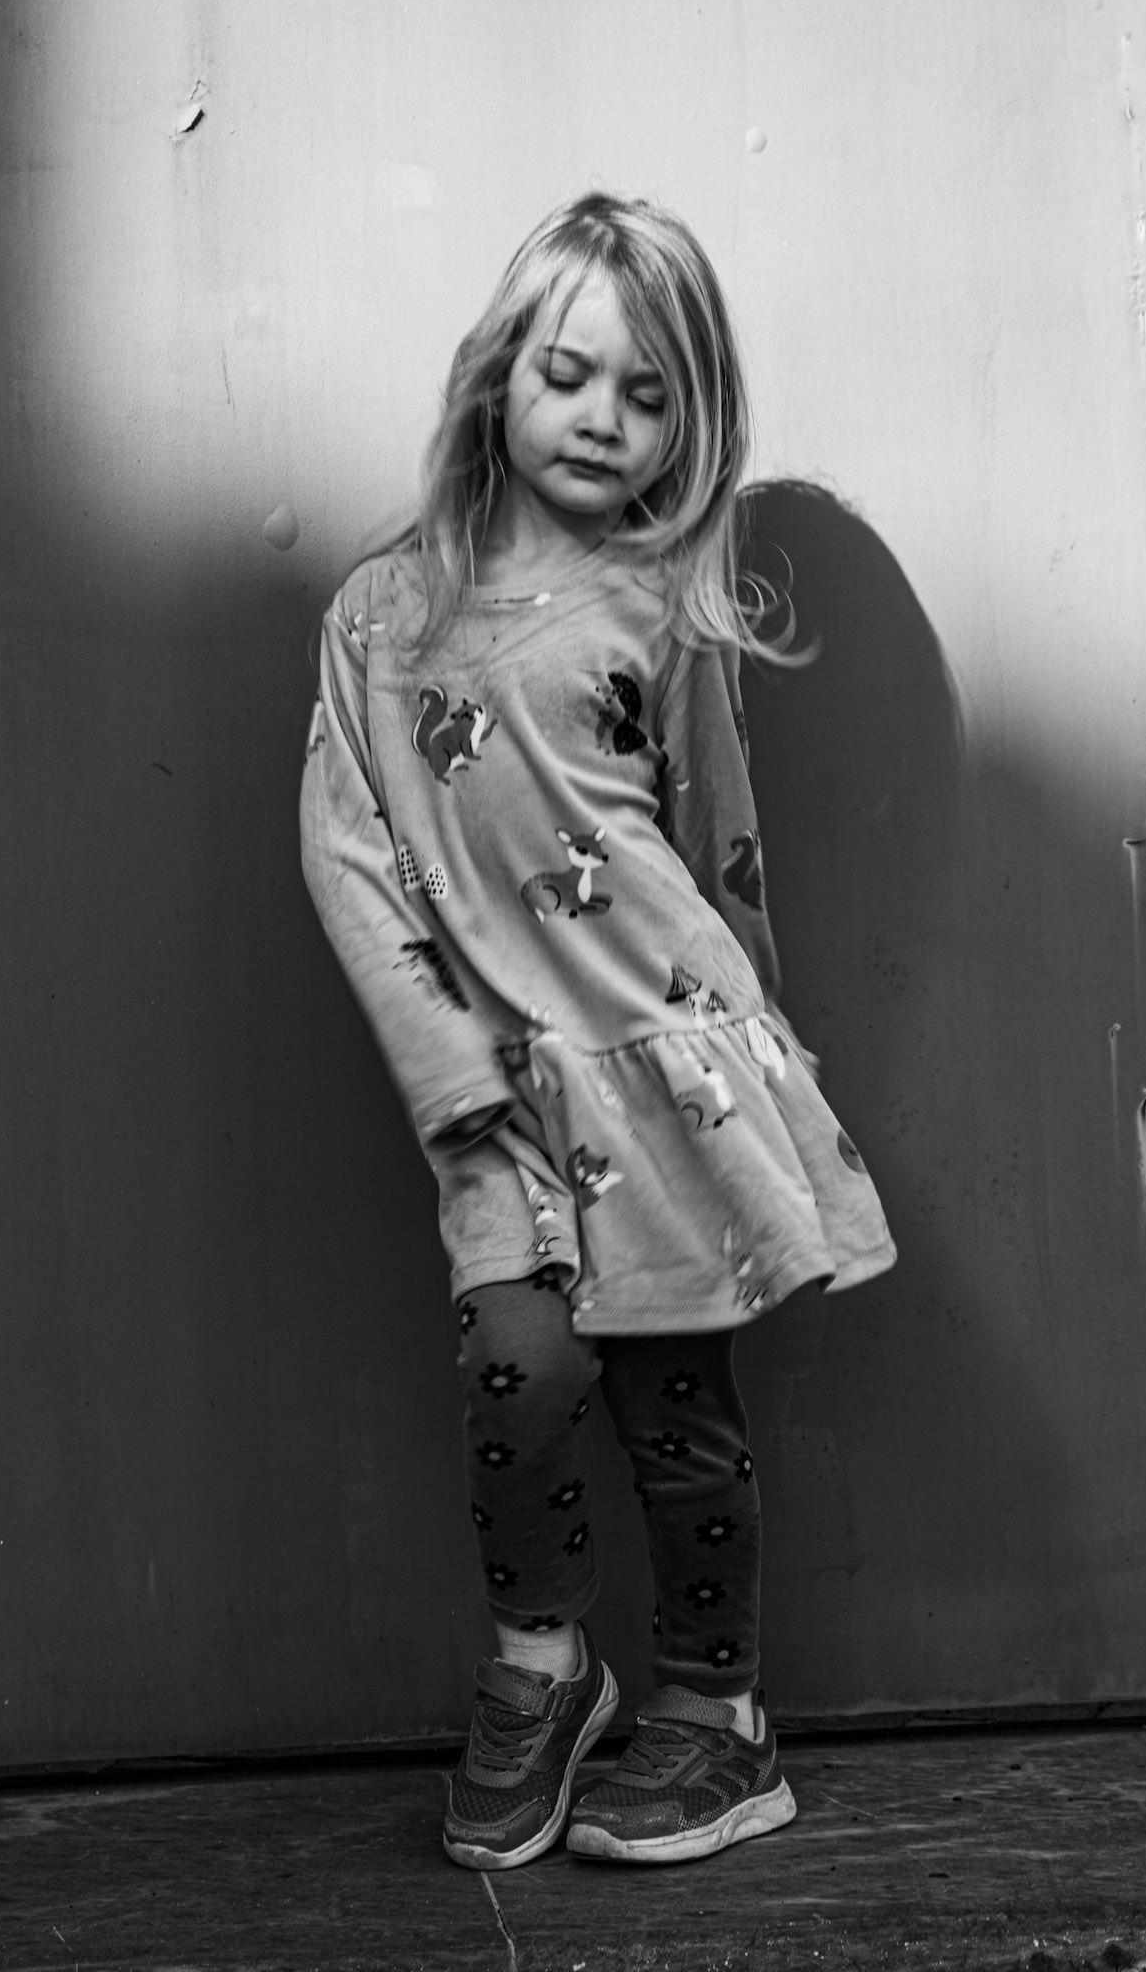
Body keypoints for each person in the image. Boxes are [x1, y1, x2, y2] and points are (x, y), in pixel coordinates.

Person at [300, 193, 896, 1870]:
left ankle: (717, 1717)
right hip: (494, 1090)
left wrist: (760, 1066)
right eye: (568, 377)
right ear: (500, 370)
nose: (600, 421)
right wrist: (442, 1068)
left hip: (664, 1076)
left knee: (673, 1406)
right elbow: (347, 853)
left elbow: (720, 846)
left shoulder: (662, 613)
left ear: (686, 426)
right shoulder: (378, 616)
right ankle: (543, 1669)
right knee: (521, 1374)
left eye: (647, 397)